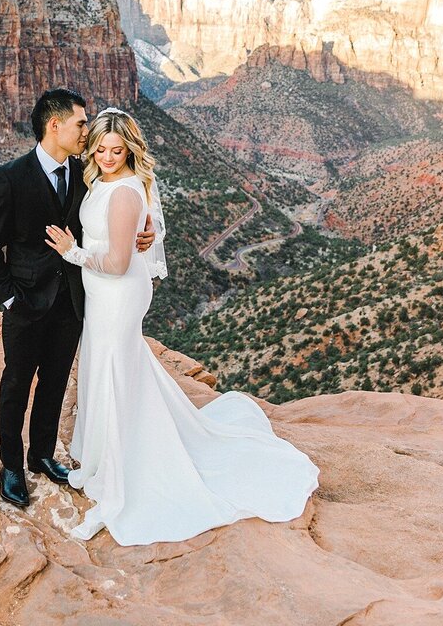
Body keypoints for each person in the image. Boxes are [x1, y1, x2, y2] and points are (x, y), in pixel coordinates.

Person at [44, 107, 320, 546]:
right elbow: (129, 228)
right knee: (109, 365)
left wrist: (72, 252)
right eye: (101, 148)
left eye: (118, 149)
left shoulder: (125, 193)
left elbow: (116, 262)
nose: (109, 155)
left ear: (130, 149)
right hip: (100, 295)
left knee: (115, 368)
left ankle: (123, 468)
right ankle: (105, 454)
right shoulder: (98, 179)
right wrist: (140, 229)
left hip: (116, 291)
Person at [0, 89, 155, 508]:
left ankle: (41, 455)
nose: (87, 130)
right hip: (25, 303)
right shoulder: (12, 176)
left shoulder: (86, 173)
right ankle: (12, 467)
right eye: (80, 123)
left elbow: (118, 212)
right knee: (17, 384)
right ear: (54, 125)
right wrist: (9, 300)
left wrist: (145, 235)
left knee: (55, 382)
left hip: (74, 303)